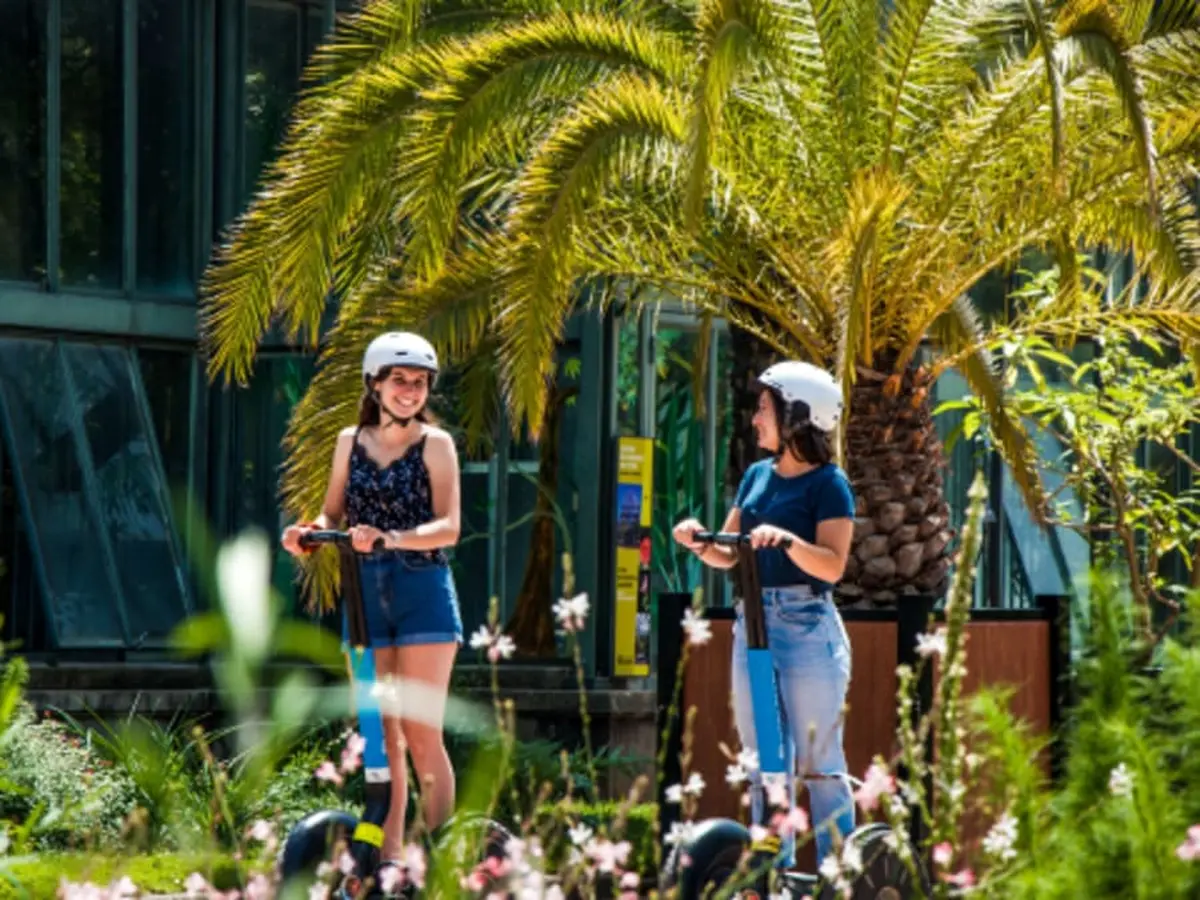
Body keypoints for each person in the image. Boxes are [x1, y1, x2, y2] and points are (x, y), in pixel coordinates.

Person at [281, 331, 464, 871]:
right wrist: (308, 532)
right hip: (363, 593)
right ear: (374, 384)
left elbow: (450, 527)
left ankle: (440, 863)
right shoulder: (349, 441)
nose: (410, 390)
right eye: (399, 380)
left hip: (421, 590)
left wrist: (391, 538)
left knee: (421, 732)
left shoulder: (437, 444)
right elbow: (332, 512)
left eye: (420, 382)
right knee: (383, 736)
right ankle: (389, 864)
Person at [672, 360, 856, 870]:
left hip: (807, 626)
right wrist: (698, 540)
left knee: (820, 766)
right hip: (752, 622)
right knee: (764, 763)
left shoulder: (830, 484)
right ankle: (772, 872)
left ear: (797, 415)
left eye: (764, 409)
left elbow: (833, 565)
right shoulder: (756, 476)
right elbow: (729, 553)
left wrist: (789, 541)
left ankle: (840, 875)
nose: (755, 419)